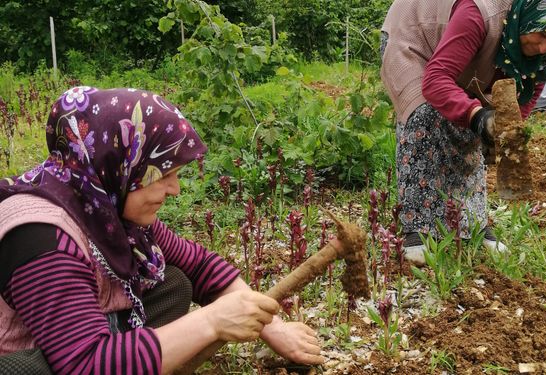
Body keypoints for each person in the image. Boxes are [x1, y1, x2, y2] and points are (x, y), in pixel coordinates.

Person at [0, 87, 327, 374]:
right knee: (26, 371)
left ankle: (129, 356)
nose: (175, 189)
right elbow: (84, 364)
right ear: (119, 164)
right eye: (162, 175)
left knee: (174, 284)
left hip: (80, 337)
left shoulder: (102, 204)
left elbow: (199, 265)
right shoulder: (41, 236)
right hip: (40, 356)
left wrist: (274, 328)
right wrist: (211, 322)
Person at [380, 0, 546, 265]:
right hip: (414, 34)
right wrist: (478, 116)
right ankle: (417, 229)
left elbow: (530, 88)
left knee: (471, 133)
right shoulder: (479, 13)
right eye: (544, 35)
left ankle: (472, 225)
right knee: (426, 116)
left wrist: (506, 131)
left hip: (463, 50)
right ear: (528, 17)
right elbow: (436, 80)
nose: (545, 48)